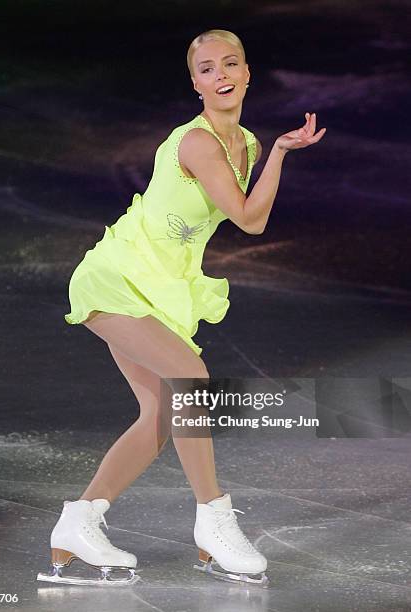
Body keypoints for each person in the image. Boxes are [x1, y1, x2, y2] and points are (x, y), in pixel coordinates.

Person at [37, 29, 326, 587]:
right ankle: (213, 520)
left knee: (159, 418)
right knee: (191, 378)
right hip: (117, 276)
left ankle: (78, 522)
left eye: (230, 64)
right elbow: (246, 217)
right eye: (208, 69)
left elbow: (255, 219)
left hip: (160, 286)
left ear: (246, 74)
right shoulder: (196, 143)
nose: (221, 75)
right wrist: (282, 156)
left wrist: (281, 153)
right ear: (196, 84)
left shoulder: (249, 144)